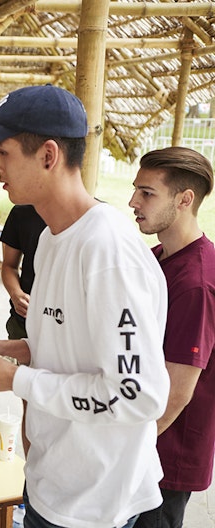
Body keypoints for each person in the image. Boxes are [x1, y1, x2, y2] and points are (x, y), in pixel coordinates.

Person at [0, 85, 170, 528]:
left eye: (4, 152)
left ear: (48, 155)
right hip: (50, 482)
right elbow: (76, 348)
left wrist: (17, 379)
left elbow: (137, 395)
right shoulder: (52, 239)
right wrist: (8, 347)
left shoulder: (108, 251)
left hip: (95, 503)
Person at [128, 147, 215, 528]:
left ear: (184, 200)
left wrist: (126, 450)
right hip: (144, 444)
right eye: (135, 190)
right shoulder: (159, 255)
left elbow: (178, 392)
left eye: (147, 193)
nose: (133, 201)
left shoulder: (197, 282)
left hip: (166, 456)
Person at [0, 204, 46, 340]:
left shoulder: (94, 217)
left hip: (68, 331)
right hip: (23, 324)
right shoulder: (22, 212)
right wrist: (16, 294)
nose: (2, 180)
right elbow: (9, 266)